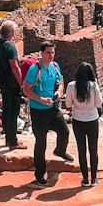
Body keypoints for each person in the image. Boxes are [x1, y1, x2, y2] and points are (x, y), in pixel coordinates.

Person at [24, 42, 70, 186]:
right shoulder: (34, 69)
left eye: (52, 53)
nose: (51, 56)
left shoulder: (55, 66)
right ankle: (39, 174)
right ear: (42, 53)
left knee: (64, 131)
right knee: (41, 142)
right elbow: (26, 90)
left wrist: (59, 92)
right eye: (48, 53)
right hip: (38, 111)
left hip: (53, 108)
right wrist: (40, 99)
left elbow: (61, 82)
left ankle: (60, 150)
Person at [0, 20, 24, 151]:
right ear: (12, 32)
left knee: (7, 110)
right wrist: (22, 84)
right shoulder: (10, 46)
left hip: (2, 82)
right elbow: (14, 67)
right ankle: (13, 142)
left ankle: (8, 138)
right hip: (12, 83)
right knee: (13, 112)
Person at [64, 62, 103, 187]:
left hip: (78, 119)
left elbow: (68, 104)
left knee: (81, 149)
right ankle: (94, 178)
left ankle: (85, 178)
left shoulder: (71, 86)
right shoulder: (93, 86)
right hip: (92, 120)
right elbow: (99, 102)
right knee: (93, 149)